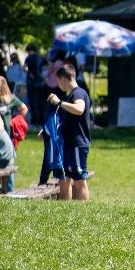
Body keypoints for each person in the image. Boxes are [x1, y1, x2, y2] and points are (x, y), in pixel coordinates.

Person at [49, 62, 92, 201]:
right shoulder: (70, 96)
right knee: (65, 178)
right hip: (68, 143)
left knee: (79, 179)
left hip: (78, 143)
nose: (58, 85)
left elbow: (79, 109)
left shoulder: (78, 93)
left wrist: (59, 102)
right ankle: (66, 208)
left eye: (58, 81)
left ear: (63, 79)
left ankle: (84, 210)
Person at [24, 43, 46, 126]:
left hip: (32, 83)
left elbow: (24, 68)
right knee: (41, 102)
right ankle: (41, 120)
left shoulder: (29, 58)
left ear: (29, 50)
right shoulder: (41, 57)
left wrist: (29, 72)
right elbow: (47, 65)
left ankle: (34, 121)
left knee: (33, 103)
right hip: (41, 83)